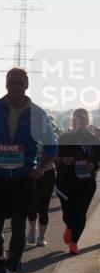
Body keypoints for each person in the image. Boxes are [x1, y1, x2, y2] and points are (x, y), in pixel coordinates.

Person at [0, 67, 58, 273]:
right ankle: (0, 258)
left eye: (19, 83)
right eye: (11, 82)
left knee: (19, 227)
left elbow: (52, 147)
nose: (14, 86)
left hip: (23, 178)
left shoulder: (38, 114)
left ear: (27, 84)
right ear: (5, 84)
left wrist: (40, 168)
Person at [56, 108, 100, 255]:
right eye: (78, 118)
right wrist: (63, 159)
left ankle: (74, 243)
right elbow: (54, 157)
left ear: (88, 121)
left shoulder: (94, 140)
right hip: (65, 182)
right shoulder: (64, 138)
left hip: (86, 183)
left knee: (80, 214)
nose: (81, 121)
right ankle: (69, 226)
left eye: (84, 118)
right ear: (73, 120)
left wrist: (94, 165)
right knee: (68, 214)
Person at [26, 142, 57, 247]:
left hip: (48, 173)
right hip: (31, 171)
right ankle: (32, 228)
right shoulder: (27, 132)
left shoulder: (50, 136)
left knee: (43, 206)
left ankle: (41, 236)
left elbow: (55, 154)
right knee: (31, 203)